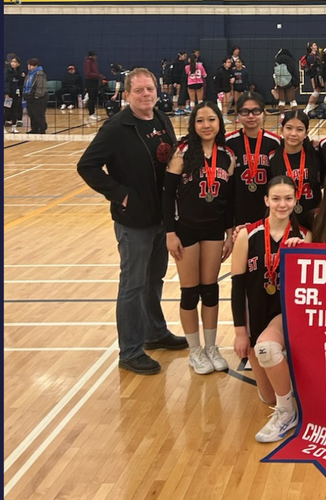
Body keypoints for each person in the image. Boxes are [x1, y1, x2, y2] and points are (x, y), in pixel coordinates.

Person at [76, 68, 189, 375]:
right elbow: (87, 166)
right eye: (138, 91)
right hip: (134, 221)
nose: (145, 95)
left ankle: (155, 333)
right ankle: (130, 351)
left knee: (154, 280)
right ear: (126, 95)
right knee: (132, 285)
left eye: (149, 89)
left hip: (161, 219)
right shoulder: (116, 127)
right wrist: (121, 195)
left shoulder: (162, 119)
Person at [162, 101, 234, 375]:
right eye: (200, 120)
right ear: (193, 125)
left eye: (211, 120)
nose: (206, 125)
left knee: (211, 289)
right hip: (186, 230)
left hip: (214, 230)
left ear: (219, 123)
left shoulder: (227, 156)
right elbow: (168, 196)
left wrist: (229, 232)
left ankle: (212, 347)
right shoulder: (182, 153)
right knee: (190, 292)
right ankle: (195, 351)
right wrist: (170, 233)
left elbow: (228, 200)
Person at [234, 176, 308, 441]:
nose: (282, 204)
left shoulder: (304, 236)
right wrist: (240, 332)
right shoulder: (248, 234)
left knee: (267, 348)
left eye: (288, 198)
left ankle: (287, 413)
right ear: (266, 200)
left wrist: (306, 250)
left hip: (287, 316)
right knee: (267, 396)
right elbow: (236, 287)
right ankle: (291, 392)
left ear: (296, 201)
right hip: (256, 315)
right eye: (276, 198)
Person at [225, 91, 283, 230]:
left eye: (256, 111)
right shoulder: (229, 142)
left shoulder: (275, 142)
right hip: (239, 210)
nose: (251, 116)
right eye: (245, 111)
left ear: (263, 112)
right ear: (238, 114)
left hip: (268, 210)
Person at [269, 110, 323, 229]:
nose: (293, 134)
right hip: (284, 217)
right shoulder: (273, 158)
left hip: (313, 218)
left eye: (299, 129)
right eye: (289, 128)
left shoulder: (317, 155)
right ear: (282, 130)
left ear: (306, 133)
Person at [24, 58, 48, 134]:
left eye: (31, 65)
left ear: (36, 66)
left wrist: (36, 96)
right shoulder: (29, 74)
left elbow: (41, 87)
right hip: (30, 97)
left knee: (38, 114)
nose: (29, 66)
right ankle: (34, 128)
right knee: (31, 114)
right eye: (28, 65)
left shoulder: (40, 74)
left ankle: (42, 128)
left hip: (39, 98)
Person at [273, 48, 299, 118]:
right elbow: (295, 72)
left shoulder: (277, 60)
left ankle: (282, 116)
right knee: (292, 101)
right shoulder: (291, 60)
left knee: (281, 101)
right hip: (290, 83)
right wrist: (296, 83)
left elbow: (274, 73)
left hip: (280, 84)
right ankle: (295, 116)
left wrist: (275, 84)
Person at [301, 42, 323, 115]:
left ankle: (312, 106)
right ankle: (308, 108)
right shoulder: (311, 56)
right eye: (314, 45)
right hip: (314, 75)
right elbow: (311, 67)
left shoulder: (315, 56)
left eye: (316, 45)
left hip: (317, 74)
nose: (316, 46)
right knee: (316, 91)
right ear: (311, 47)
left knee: (318, 91)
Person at [4, 56, 25, 134]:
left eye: (15, 62)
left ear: (18, 64)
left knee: (15, 111)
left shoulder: (20, 72)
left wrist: (22, 77)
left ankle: (14, 127)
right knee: (7, 110)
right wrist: (6, 93)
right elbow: (5, 82)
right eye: (12, 61)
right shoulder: (7, 71)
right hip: (9, 95)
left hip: (17, 94)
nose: (13, 63)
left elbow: (20, 84)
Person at [83, 50, 105, 122]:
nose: (96, 57)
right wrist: (98, 76)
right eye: (94, 56)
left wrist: (98, 77)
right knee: (91, 97)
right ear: (90, 56)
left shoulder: (94, 62)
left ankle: (93, 112)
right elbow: (88, 73)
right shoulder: (87, 62)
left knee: (95, 97)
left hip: (95, 81)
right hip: (90, 82)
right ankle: (91, 113)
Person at [173, 51, 188, 115]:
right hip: (177, 82)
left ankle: (179, 108)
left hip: (182, 82)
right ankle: (176, 109)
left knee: (179, 95)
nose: (185, 57)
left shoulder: (183, 63)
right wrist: (175, 82)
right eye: (184, 56)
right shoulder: (176, 63)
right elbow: (174, 73)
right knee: (176, 95)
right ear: (180, 55)